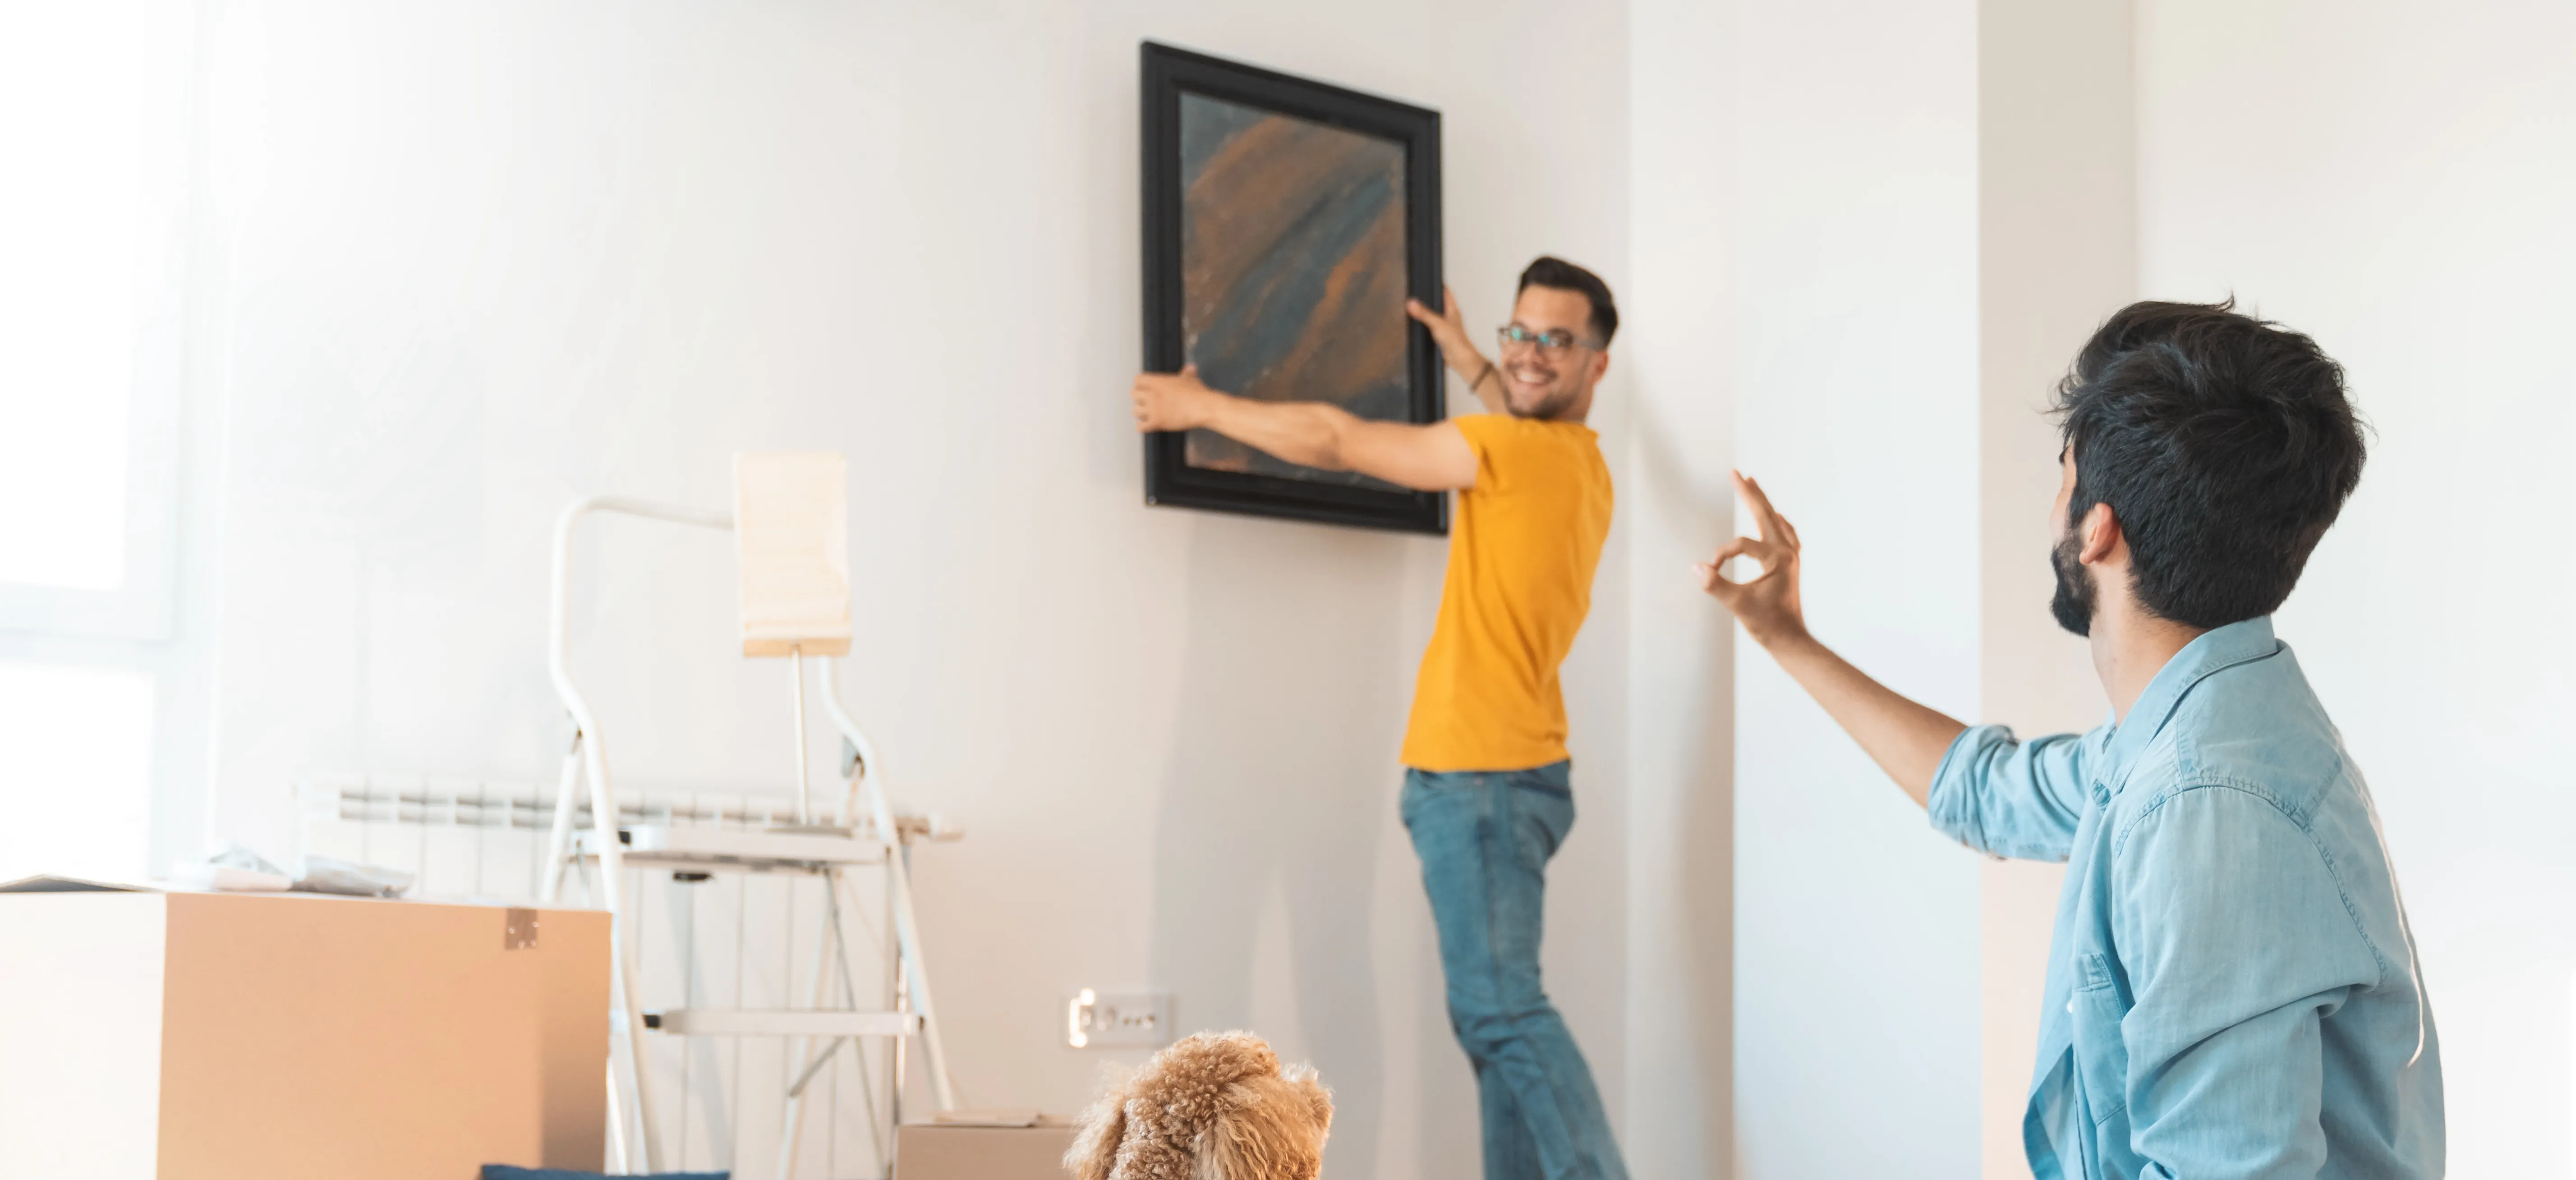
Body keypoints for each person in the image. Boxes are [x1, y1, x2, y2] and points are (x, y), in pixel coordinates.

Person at [1698, 300, 2443, 1178]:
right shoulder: (2213, 717)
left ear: (2098, 527)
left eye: (2063, 474)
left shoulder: (2207, 803)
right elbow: (1985, 792)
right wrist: (1788, 638)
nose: (2051, 502)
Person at [1131, 257, 1628, 1180]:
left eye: (1555, 341)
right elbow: (1523, 400)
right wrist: (1469, 352)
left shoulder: (1509, 452)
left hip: (1481, 779)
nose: (1528, 355)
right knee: (1495, 1026)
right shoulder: (1580, 466)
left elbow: (1333, 438)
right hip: (1517, 777)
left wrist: (1201, 410)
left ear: (1598, 365)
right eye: (1520, 333)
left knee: (1502, 1014)